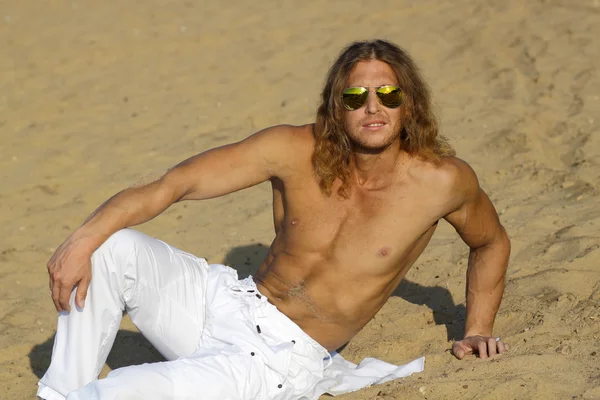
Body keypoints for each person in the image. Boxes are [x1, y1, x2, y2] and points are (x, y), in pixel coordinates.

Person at [38, 39, 511, 400]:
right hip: (226, 302)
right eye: (355, 96)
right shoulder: (292, 149)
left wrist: (477, 328)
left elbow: (490, 243)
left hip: (276, 357)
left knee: (115, 393)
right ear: (336, 105)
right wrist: (82, 240)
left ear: (409, 104)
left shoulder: (442, 182)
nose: (372, 106)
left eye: (388, 93)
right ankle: (58, 391)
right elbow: (173, 184)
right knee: (109, 246)